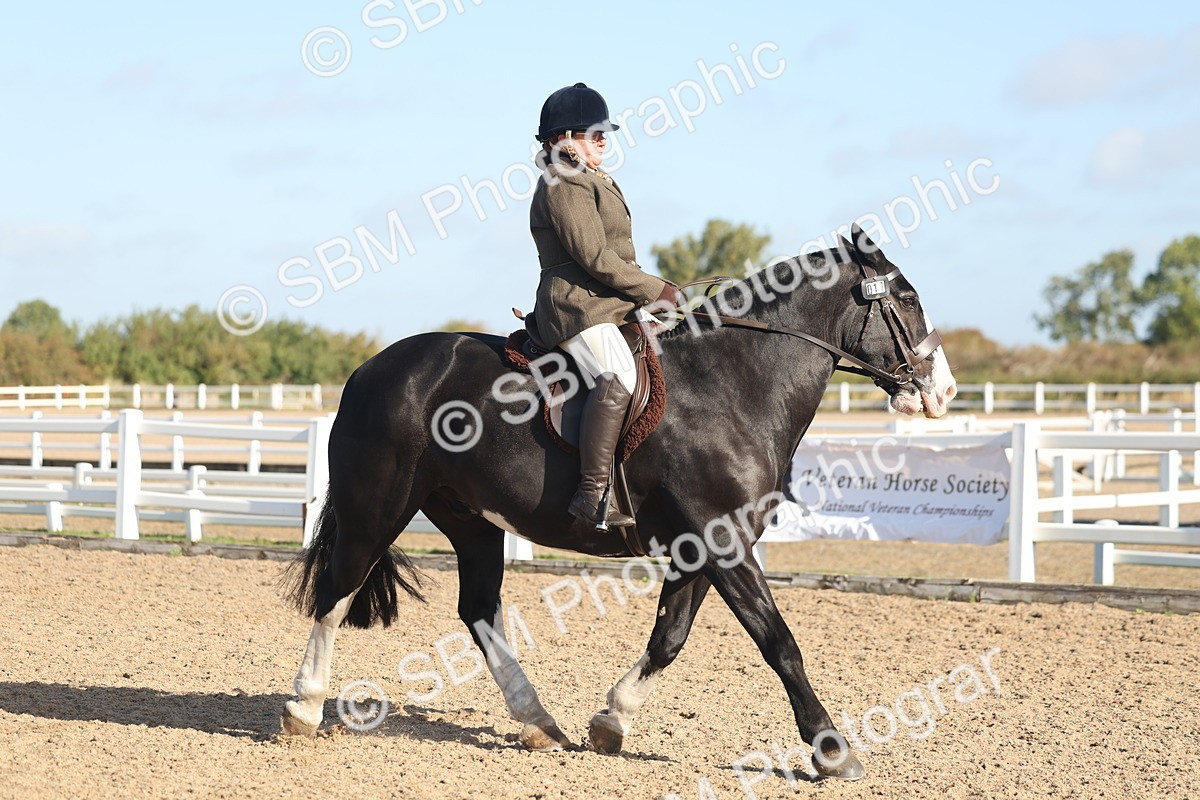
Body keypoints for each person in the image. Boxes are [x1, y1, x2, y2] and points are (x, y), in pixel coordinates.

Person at [530, 82, 683, 529]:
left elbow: (617, 258)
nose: (602, 139)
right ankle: (593, 494)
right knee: (616, 375)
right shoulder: (564, 179)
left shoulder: (593, 177)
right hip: (577, 305)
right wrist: (655, 290)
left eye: (603, 133)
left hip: (608, 301)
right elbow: (595, 257)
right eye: (592, 132)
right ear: (561, 139)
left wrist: (654, 292)